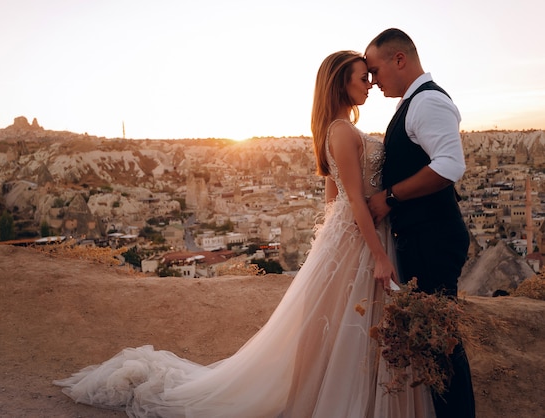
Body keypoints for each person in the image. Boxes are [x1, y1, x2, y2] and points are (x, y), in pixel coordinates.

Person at [54, 50, 434, 417]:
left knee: (339, 326)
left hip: (352, 236)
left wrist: (333, 244)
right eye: (362, 78)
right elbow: (351, 199)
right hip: (362, 234)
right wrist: (378, 255)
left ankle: (337, 397)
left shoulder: (338, 129)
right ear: (340, 83)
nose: (369, 84)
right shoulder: (341, 131)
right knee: (347, 325)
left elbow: (332, 197)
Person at [365, 28, 476, 418]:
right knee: (431, 340)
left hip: (433, 240)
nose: (373, 80)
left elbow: (449, 166)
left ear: (400, 59)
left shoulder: (427, 102)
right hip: (423, 237)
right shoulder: (412, 102)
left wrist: (390, 197)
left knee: (441, 342)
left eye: (376, 70)